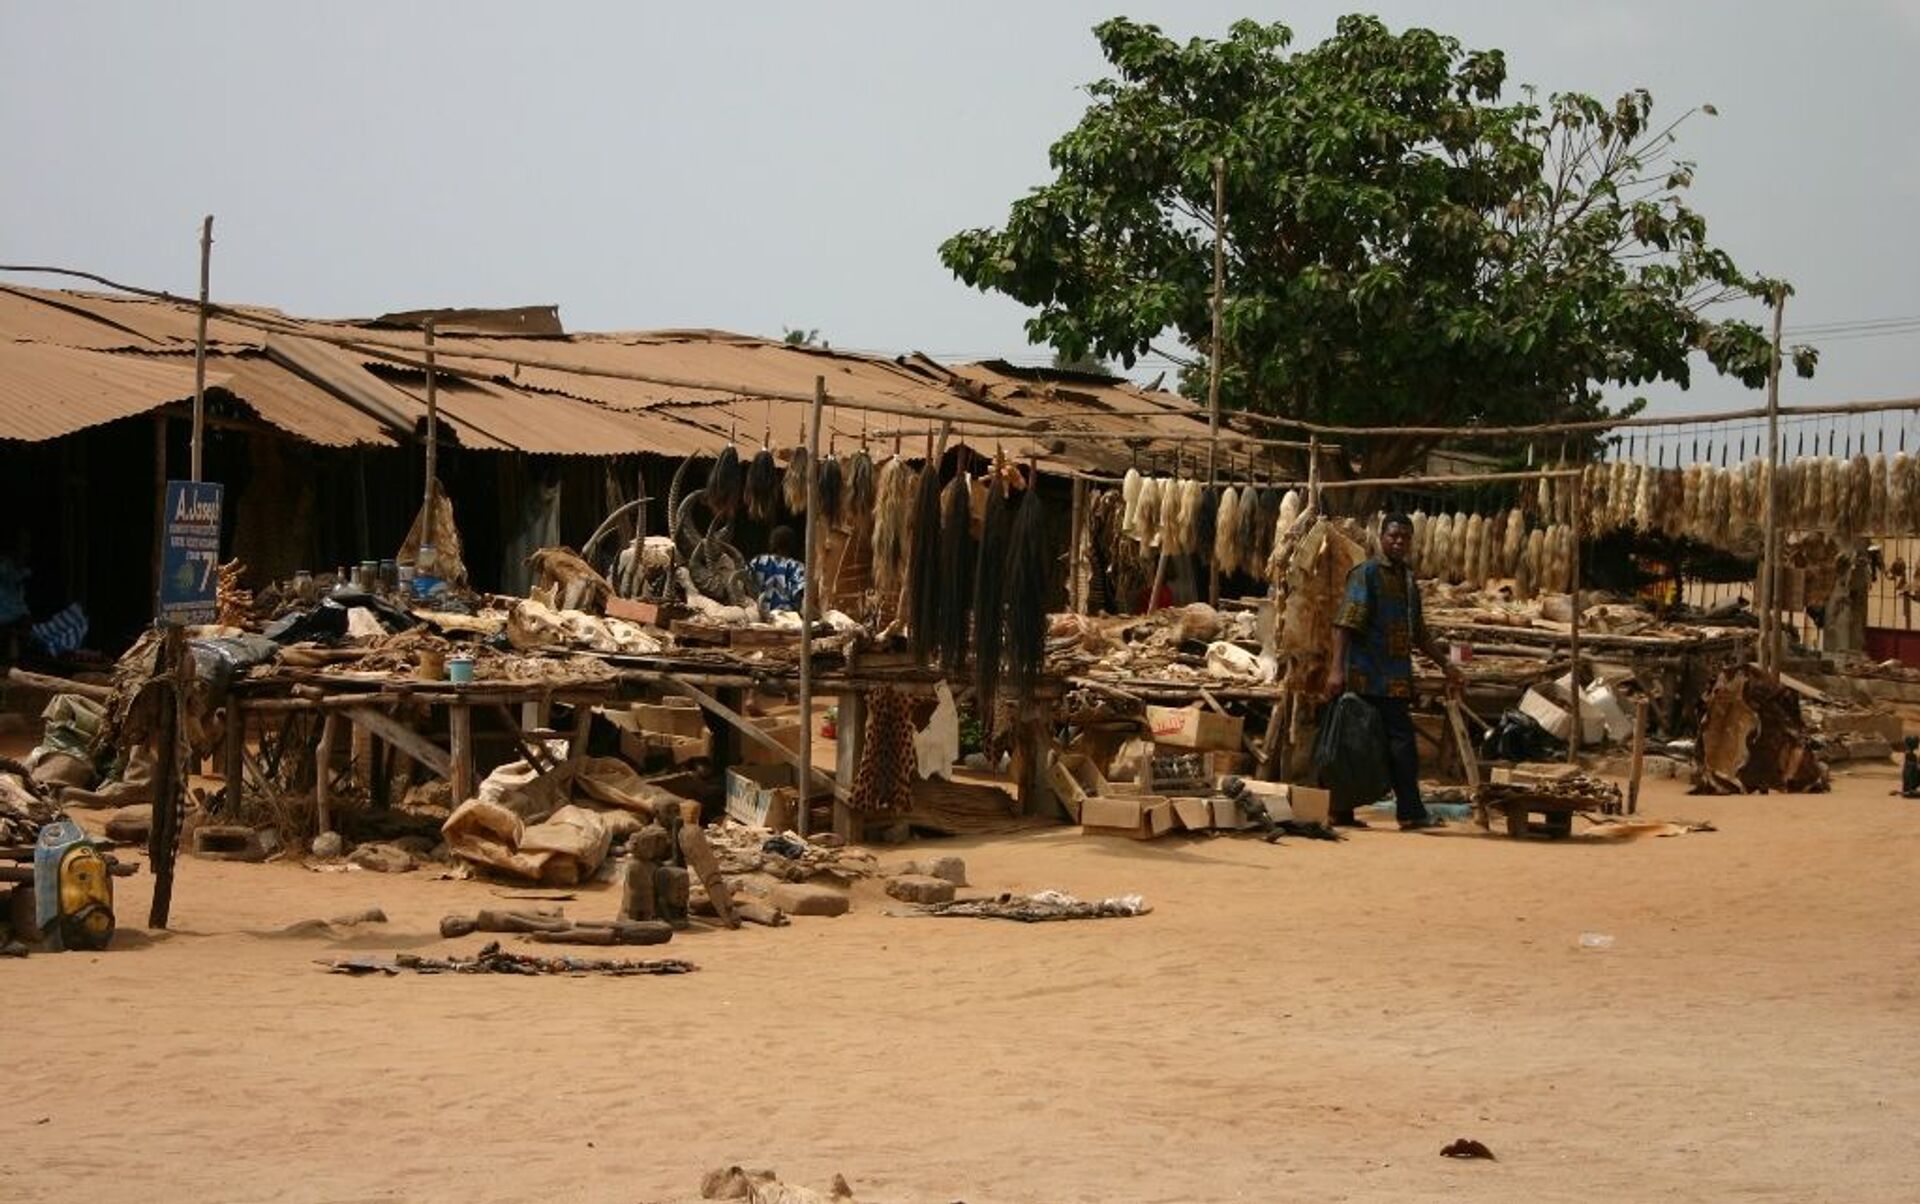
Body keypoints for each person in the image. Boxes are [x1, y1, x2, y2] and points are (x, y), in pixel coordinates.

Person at [1325, 513, 1463, 830]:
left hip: (1396, 680)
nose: (1399, 541)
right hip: (1365, 676)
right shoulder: (1367, 573)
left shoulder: (1408, 579)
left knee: (1397, 747)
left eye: (1405, 537)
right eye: (1393, 536)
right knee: (1356, 745)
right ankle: (1353, 811)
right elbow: (1344, 624)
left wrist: (1446, 665)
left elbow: (1420, 633)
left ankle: (1402, 812)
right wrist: (1336, 670)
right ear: (1382, 538)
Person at [749, 527, 807, 613]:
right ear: (792, 545)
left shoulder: (757, 561)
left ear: (772, 543)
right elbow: (799, 595)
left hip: (758, 613)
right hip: (785, 616)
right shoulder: (797, 567)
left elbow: (746, 584)